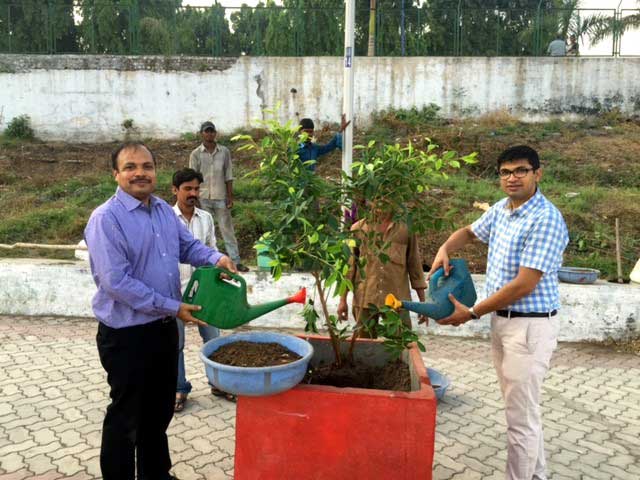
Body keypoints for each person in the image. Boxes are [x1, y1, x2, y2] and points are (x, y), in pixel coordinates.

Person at [85, 142, 237, 480]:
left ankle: (156, 474)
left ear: (155, 172)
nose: (140, 173)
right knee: (126, 415)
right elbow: (116, 283)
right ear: (116, 174)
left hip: (164, 329)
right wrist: (174, 306)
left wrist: (217, 258)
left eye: (147, 166)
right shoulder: (106, 219)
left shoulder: (163, 213)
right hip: (127, 335)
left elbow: (188, 246)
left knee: (157, 412)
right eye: (130, 167)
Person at [427, 145, 568, 480]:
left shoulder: (545, 219)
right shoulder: (503, 210)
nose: (512, 178)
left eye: (521, 170)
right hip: (503, 324)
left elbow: (524, 284)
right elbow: (469, 232)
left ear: (538, 173)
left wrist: (472, 312)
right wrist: (445, 247)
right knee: (522, 412)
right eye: (505, 172)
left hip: (529, 329)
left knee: (520, 419)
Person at [171, 168, 235, 412]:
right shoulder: (165, 217)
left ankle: (218, 384)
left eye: (196, 189)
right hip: (174, 294)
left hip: (204, 293)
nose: (193, 193)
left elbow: (210, 250)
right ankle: (179, 388)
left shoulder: (206, 218)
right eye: (187, 189)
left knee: (213, 340)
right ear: (175, 190)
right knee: (176, 344)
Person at [337, 207, 427, 338]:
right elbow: (350, 267)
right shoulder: (358, 229)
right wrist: (342, 300)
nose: (382, 202)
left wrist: (422, 303)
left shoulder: (405, 230)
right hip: (365, 298)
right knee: (363, 346)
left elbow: (415, 265)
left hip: (397, 299)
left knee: (400, 343)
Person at [189, 121, 249, 272]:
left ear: (215, 133)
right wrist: (194, 197)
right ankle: (206, 262)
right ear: (201, 134)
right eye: (206, 131)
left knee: (227, 229)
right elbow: (192, 177)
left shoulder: (224, 152)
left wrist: (230, 196)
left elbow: (228, 175)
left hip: (221, 196)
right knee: (203, 230)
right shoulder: (196, 154)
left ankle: (235, 261)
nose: (209, 134)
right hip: (202, 197)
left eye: (211, 131)